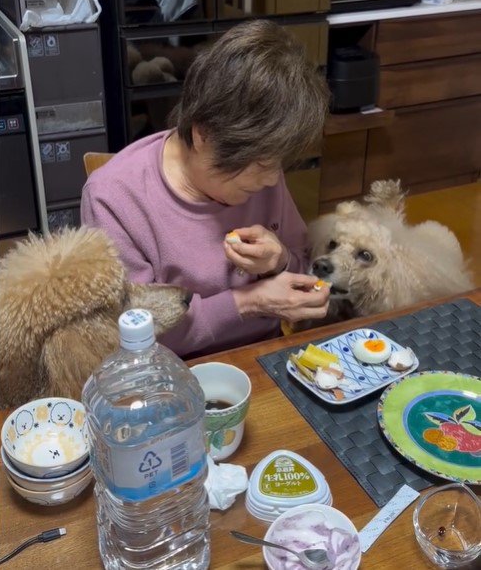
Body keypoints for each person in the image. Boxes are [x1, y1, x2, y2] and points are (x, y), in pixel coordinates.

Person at [81, 19, 331, 357]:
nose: (272, 180)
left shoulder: (261, 165)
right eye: (261, 165)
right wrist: (248, 303)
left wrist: (279, 261)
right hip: (170, 375)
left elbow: (303, 268)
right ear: (203, 134)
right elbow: (133, 333)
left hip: (265, 360)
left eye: (278, 164)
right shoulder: (114, 197)